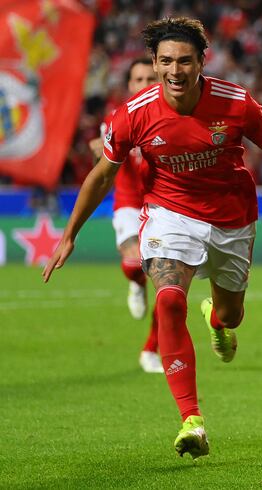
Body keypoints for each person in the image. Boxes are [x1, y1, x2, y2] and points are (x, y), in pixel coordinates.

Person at [43, 17, 262, 460]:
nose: (175, 70)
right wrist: (69, 234)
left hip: (232, 216)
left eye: (185, 61)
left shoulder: (236, 102)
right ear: (154, 63)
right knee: (170, 300)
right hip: (170, 214)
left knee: (232, 315)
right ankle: (192, 420)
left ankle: (217, 320)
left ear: (201, 63)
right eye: (166, 61)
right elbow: (102, 174)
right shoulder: (134, 113)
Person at [88, 57, 162, 374]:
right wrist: (105, 148)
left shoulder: (174, 115)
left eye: (150, 79)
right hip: (131, 201)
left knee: (169, 285)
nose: (144, 85)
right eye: (138, 80)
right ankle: (135, 282)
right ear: (129, 85)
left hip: (165, 203)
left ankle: (151, 350)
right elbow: (109, 154)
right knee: (134, 264)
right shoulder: (119, 118)